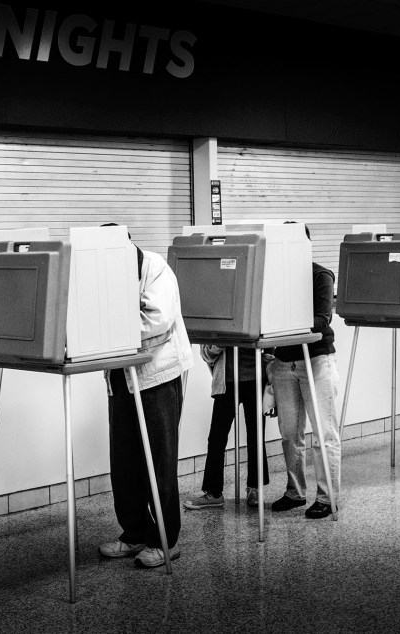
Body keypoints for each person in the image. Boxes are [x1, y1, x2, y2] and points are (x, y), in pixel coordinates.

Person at [98, 226, 194, 568]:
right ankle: (135, 533)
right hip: (120, 376)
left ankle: (165, 541)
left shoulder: (154, 268)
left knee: (159, 461)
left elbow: (157, 318)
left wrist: (104, 329)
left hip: (158, 376)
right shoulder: (99, 272)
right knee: (123, 462)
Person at [268, 225, 340, 519]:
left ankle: (327, 497)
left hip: (317, 360)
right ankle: (295, 492)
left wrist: (282, 323)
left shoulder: (320, 275)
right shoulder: (273, 276)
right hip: (284, 362)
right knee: (289, 434)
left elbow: (322, 319)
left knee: (324, 433)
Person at [183, 345, 270, 510]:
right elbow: (207, 355)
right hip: (226, 382)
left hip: (256, 378)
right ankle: (214, 493)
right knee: (217, 437)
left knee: (256, 436)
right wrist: (219, 343)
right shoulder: (216, 321)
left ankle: (255, 488)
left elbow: (269, 343)